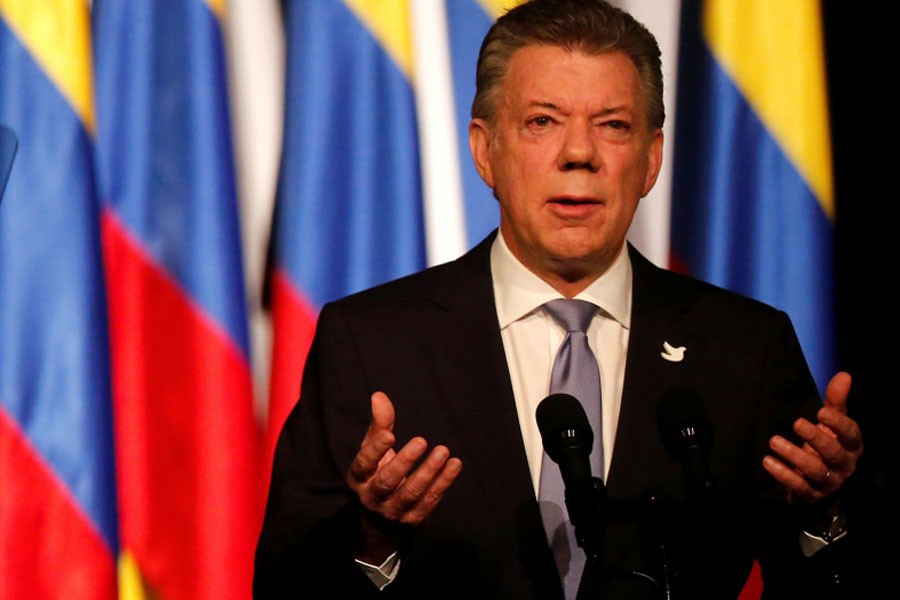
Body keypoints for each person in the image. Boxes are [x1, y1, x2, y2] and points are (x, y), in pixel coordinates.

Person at [254, 1, 863, 597]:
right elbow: (281, 584)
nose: (579, 154)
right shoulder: (371, 342)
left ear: (651, 159)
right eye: (543, 121)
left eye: (613, 125)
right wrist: (373, 538)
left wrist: (821, 515)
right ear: (485, 150)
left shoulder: (745, 349)